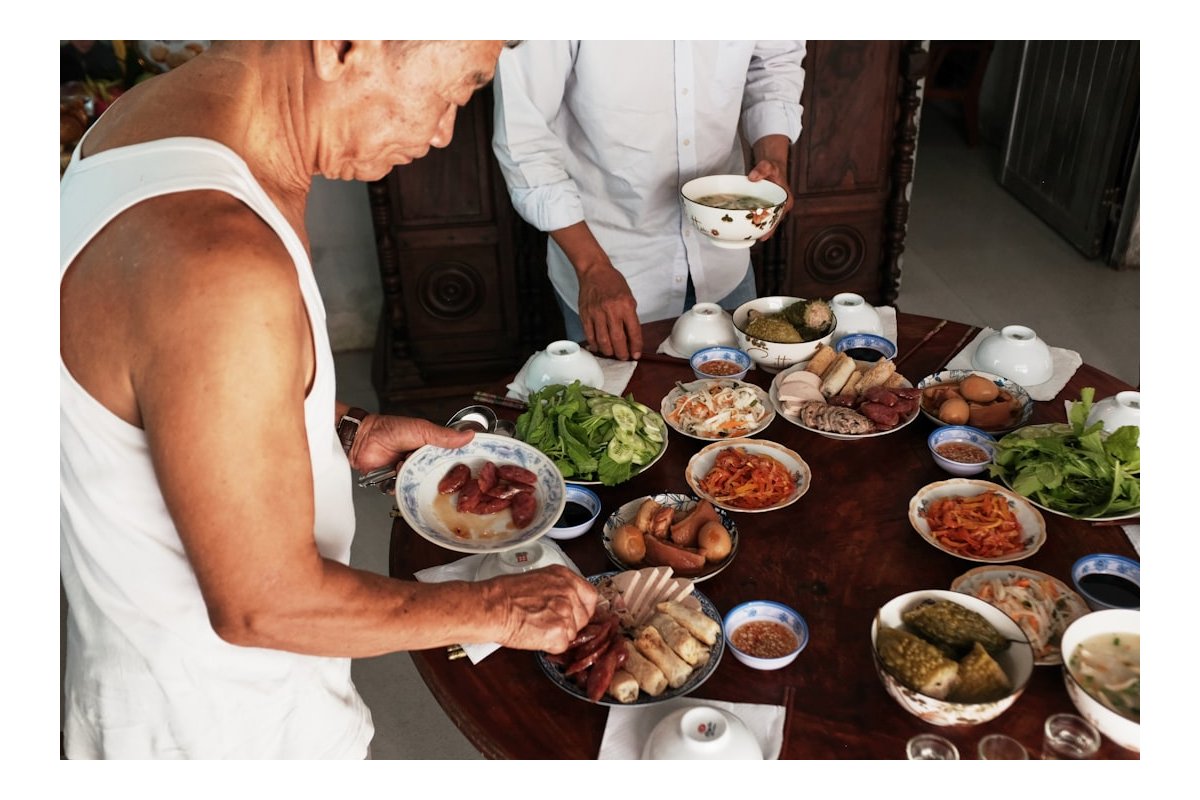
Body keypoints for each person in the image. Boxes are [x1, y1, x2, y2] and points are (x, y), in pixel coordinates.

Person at [59, 40, 598, 759]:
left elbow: (153, 388)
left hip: (157, 689)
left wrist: (336, 426)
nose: (444, 131)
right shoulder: (216, 256)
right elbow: (265, 602)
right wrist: (497, 608)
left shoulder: (147, 125)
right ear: (349, 45)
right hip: (220, 728)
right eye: (461, 88)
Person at [491, 41, 806, 361]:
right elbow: (523, 139)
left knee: (738, 405)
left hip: (723, 262)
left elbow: (774, 63)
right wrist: (591, 266)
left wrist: (773, 160)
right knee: (621, 408)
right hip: (608, 272)